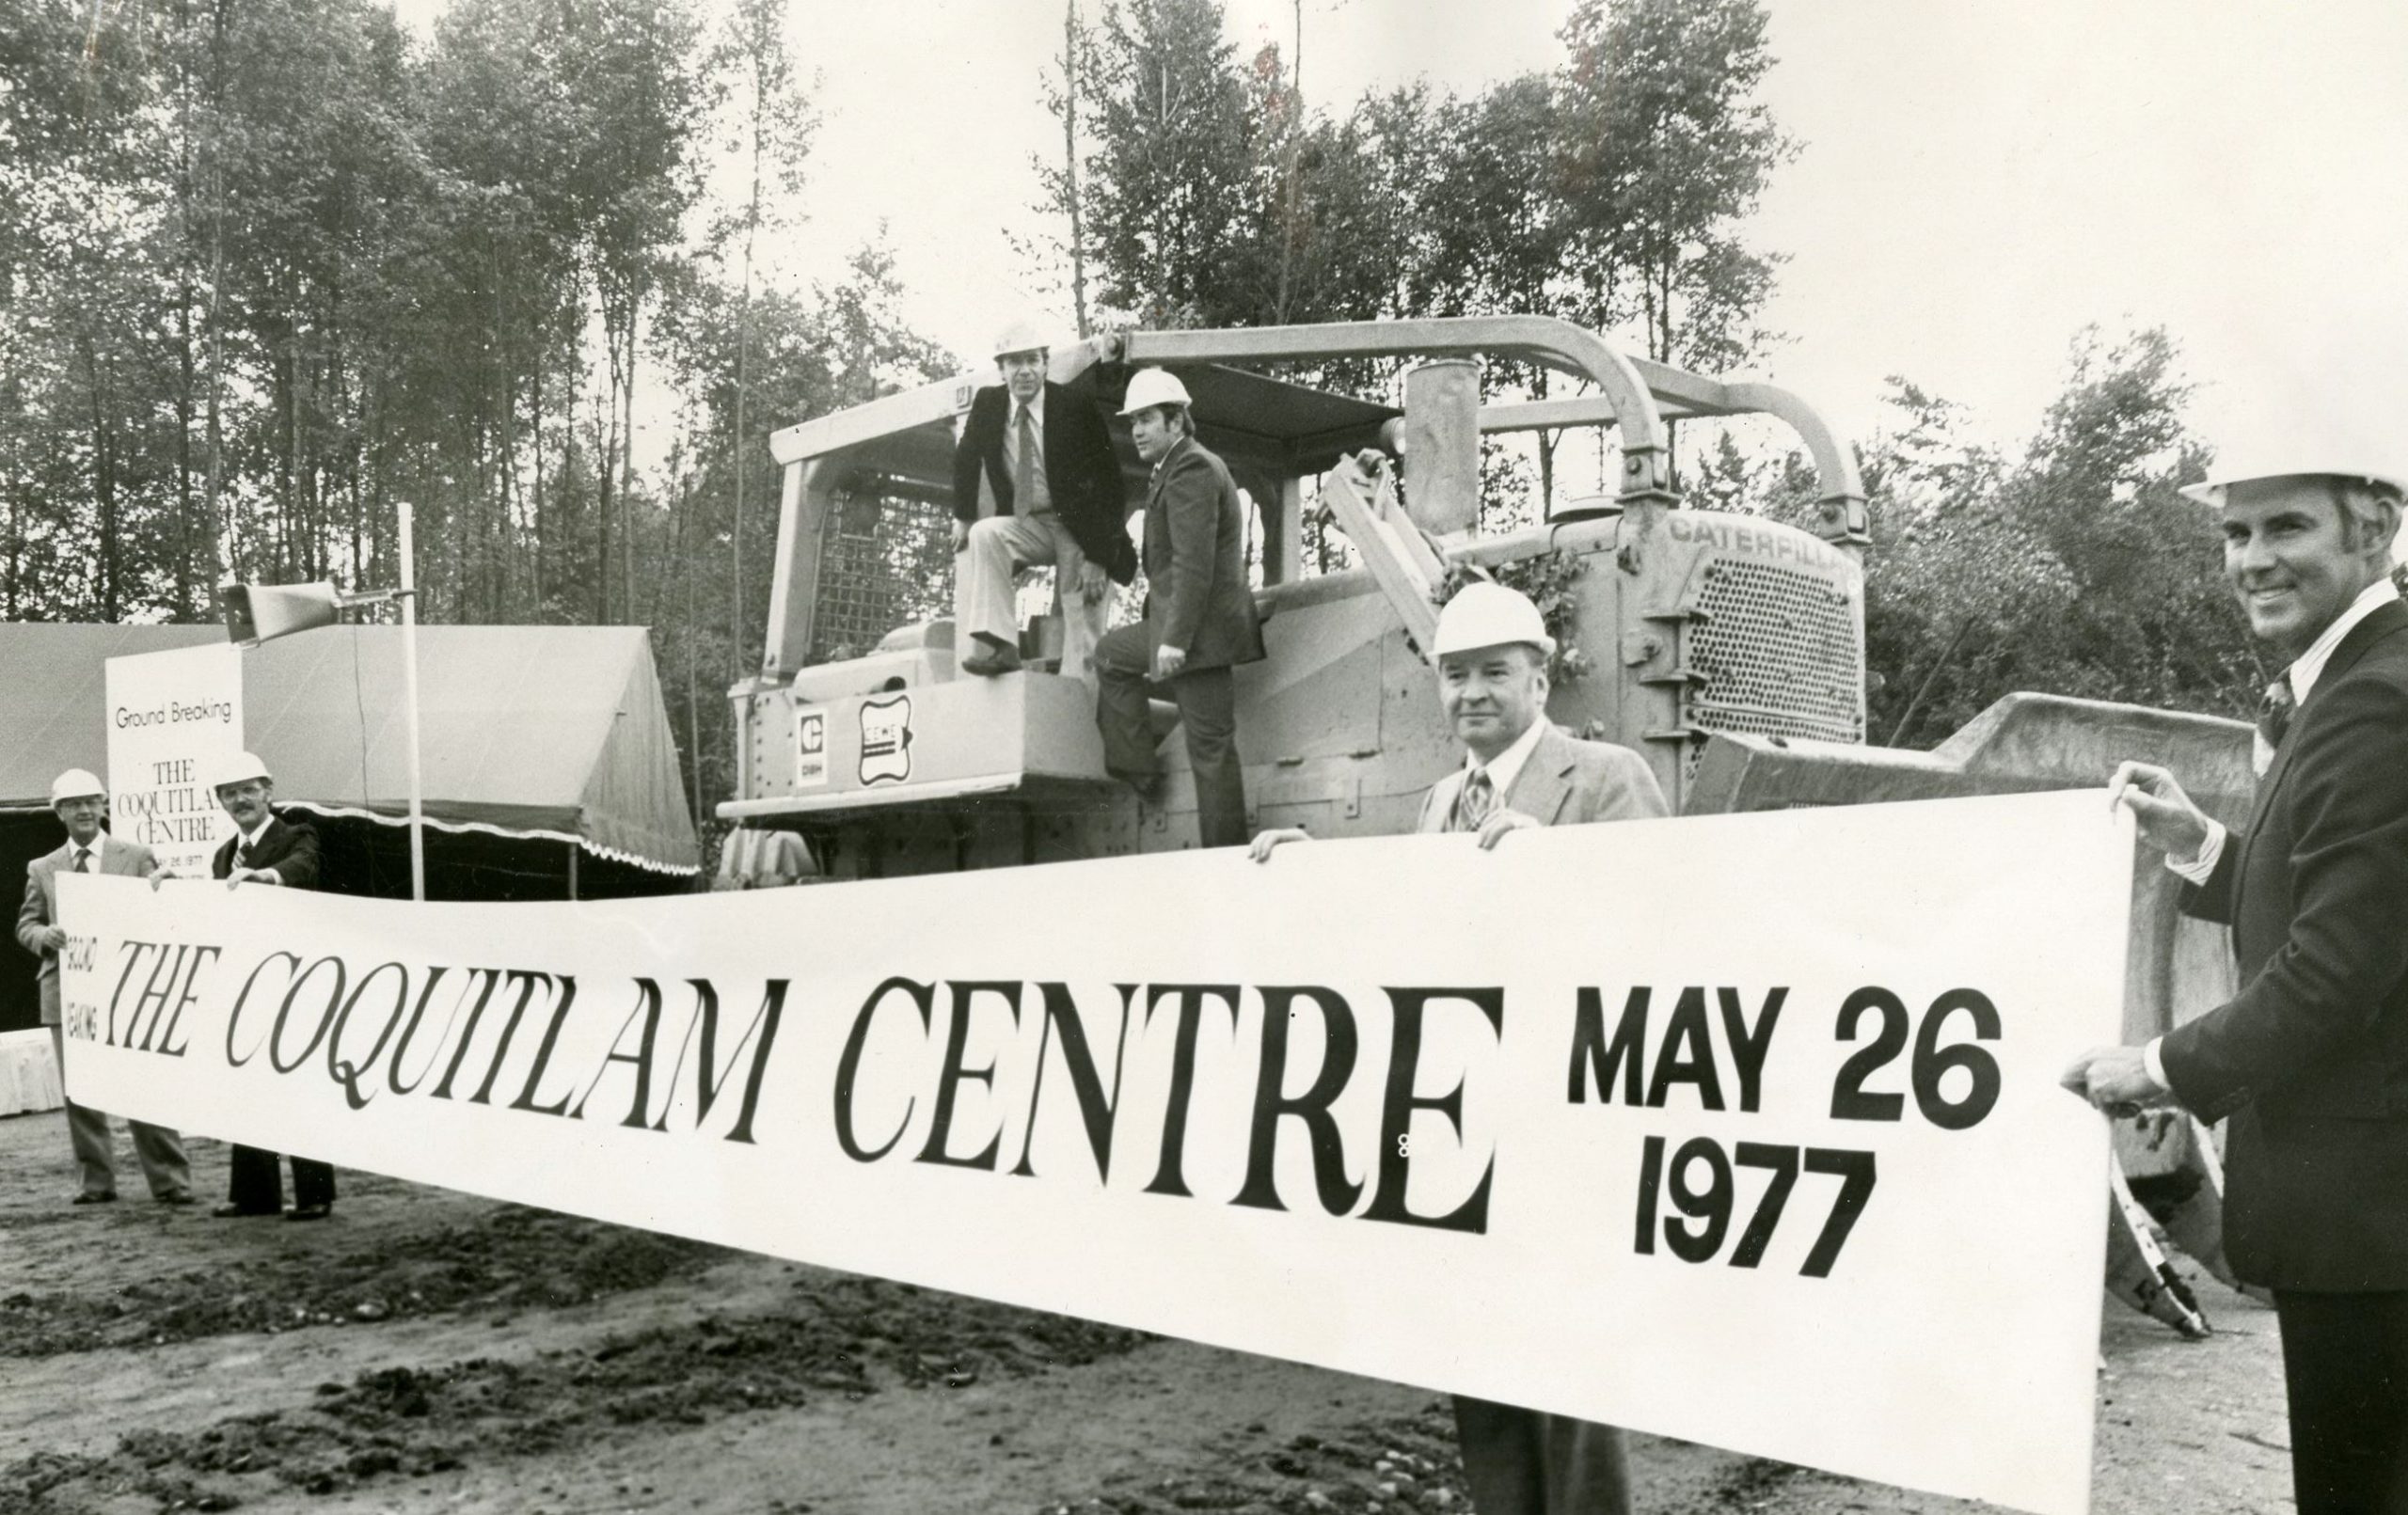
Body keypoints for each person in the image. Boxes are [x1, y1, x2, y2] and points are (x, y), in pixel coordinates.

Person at [1255, 580, 1668, 1515]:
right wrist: (1309, 875)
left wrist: (1554, 867)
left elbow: (1660, 927)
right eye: (1454, 676)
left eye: (1493, 672)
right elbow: (1411, 940)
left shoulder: (1607, 777)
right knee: (1483, 1362)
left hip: (1568, 1121)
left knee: (1573, 1377)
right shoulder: (1442, 802)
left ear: (1539, 680)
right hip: (1468, 1130)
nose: (1471, 693)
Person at [2063, 460, 2408, 1514]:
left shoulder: (2374, 701)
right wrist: (2201, 844)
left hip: (2370, 1216)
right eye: (2236, 533)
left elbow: (2333, 973)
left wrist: (2156, 1066)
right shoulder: (2357, 680)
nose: (2253, 560)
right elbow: (2346, 898)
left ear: (2375, 530)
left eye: (2286, 527)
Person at [1093, 368, 1264, 848]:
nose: (1137, 430)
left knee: (1211, 750)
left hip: (1200, 637)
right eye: (1133, 421)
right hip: (1185, 627)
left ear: (1176, 420)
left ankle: (1225, 857)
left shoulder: (1192, 468)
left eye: (1147, 419)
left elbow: (1193, 565)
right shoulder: (1175, 465)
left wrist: (1174, 640)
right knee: (1110, 655)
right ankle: (1138, 769)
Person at [15, 767, 193, 1207]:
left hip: (128, 989)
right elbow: (26, 924)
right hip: (68, 992)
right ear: (58, 812)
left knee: (143, 1083)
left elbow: (164, 911)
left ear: (104, 805)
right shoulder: (43, 868)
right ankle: (95, 1183)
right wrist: (45, 936)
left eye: (91, 801)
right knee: (80, 1092)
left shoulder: (136, 855)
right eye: (73, 804)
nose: (84, 810)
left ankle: (170, 1180)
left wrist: (170, 892)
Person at [949, 319, 1135, 680]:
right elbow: (966, 458)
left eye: (1032, 360)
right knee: (985, 534)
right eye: (1015, 362)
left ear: (1045, 364)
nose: (1025, 371)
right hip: (1029, 521)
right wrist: (964, 518)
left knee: (1083, 629)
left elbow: (1110, 483)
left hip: (1081, 529)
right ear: (1001, 370)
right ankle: (1003, 647)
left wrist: (1099, 557)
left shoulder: (1074, 405)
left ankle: (1080, 701)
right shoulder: (988, 404)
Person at [204, 750, 340, 1223]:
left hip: (296, 981)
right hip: (248, 984)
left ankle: (314, 1194)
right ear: (220, 802)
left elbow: (304, 865)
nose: (240, 800)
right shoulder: (223, 856)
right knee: (246, 1085)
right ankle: (255, 1194)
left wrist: (267, 875)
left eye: (248, 790)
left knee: (299, 1085)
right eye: (229, 793)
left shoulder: (296, 835)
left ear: (268, 792)